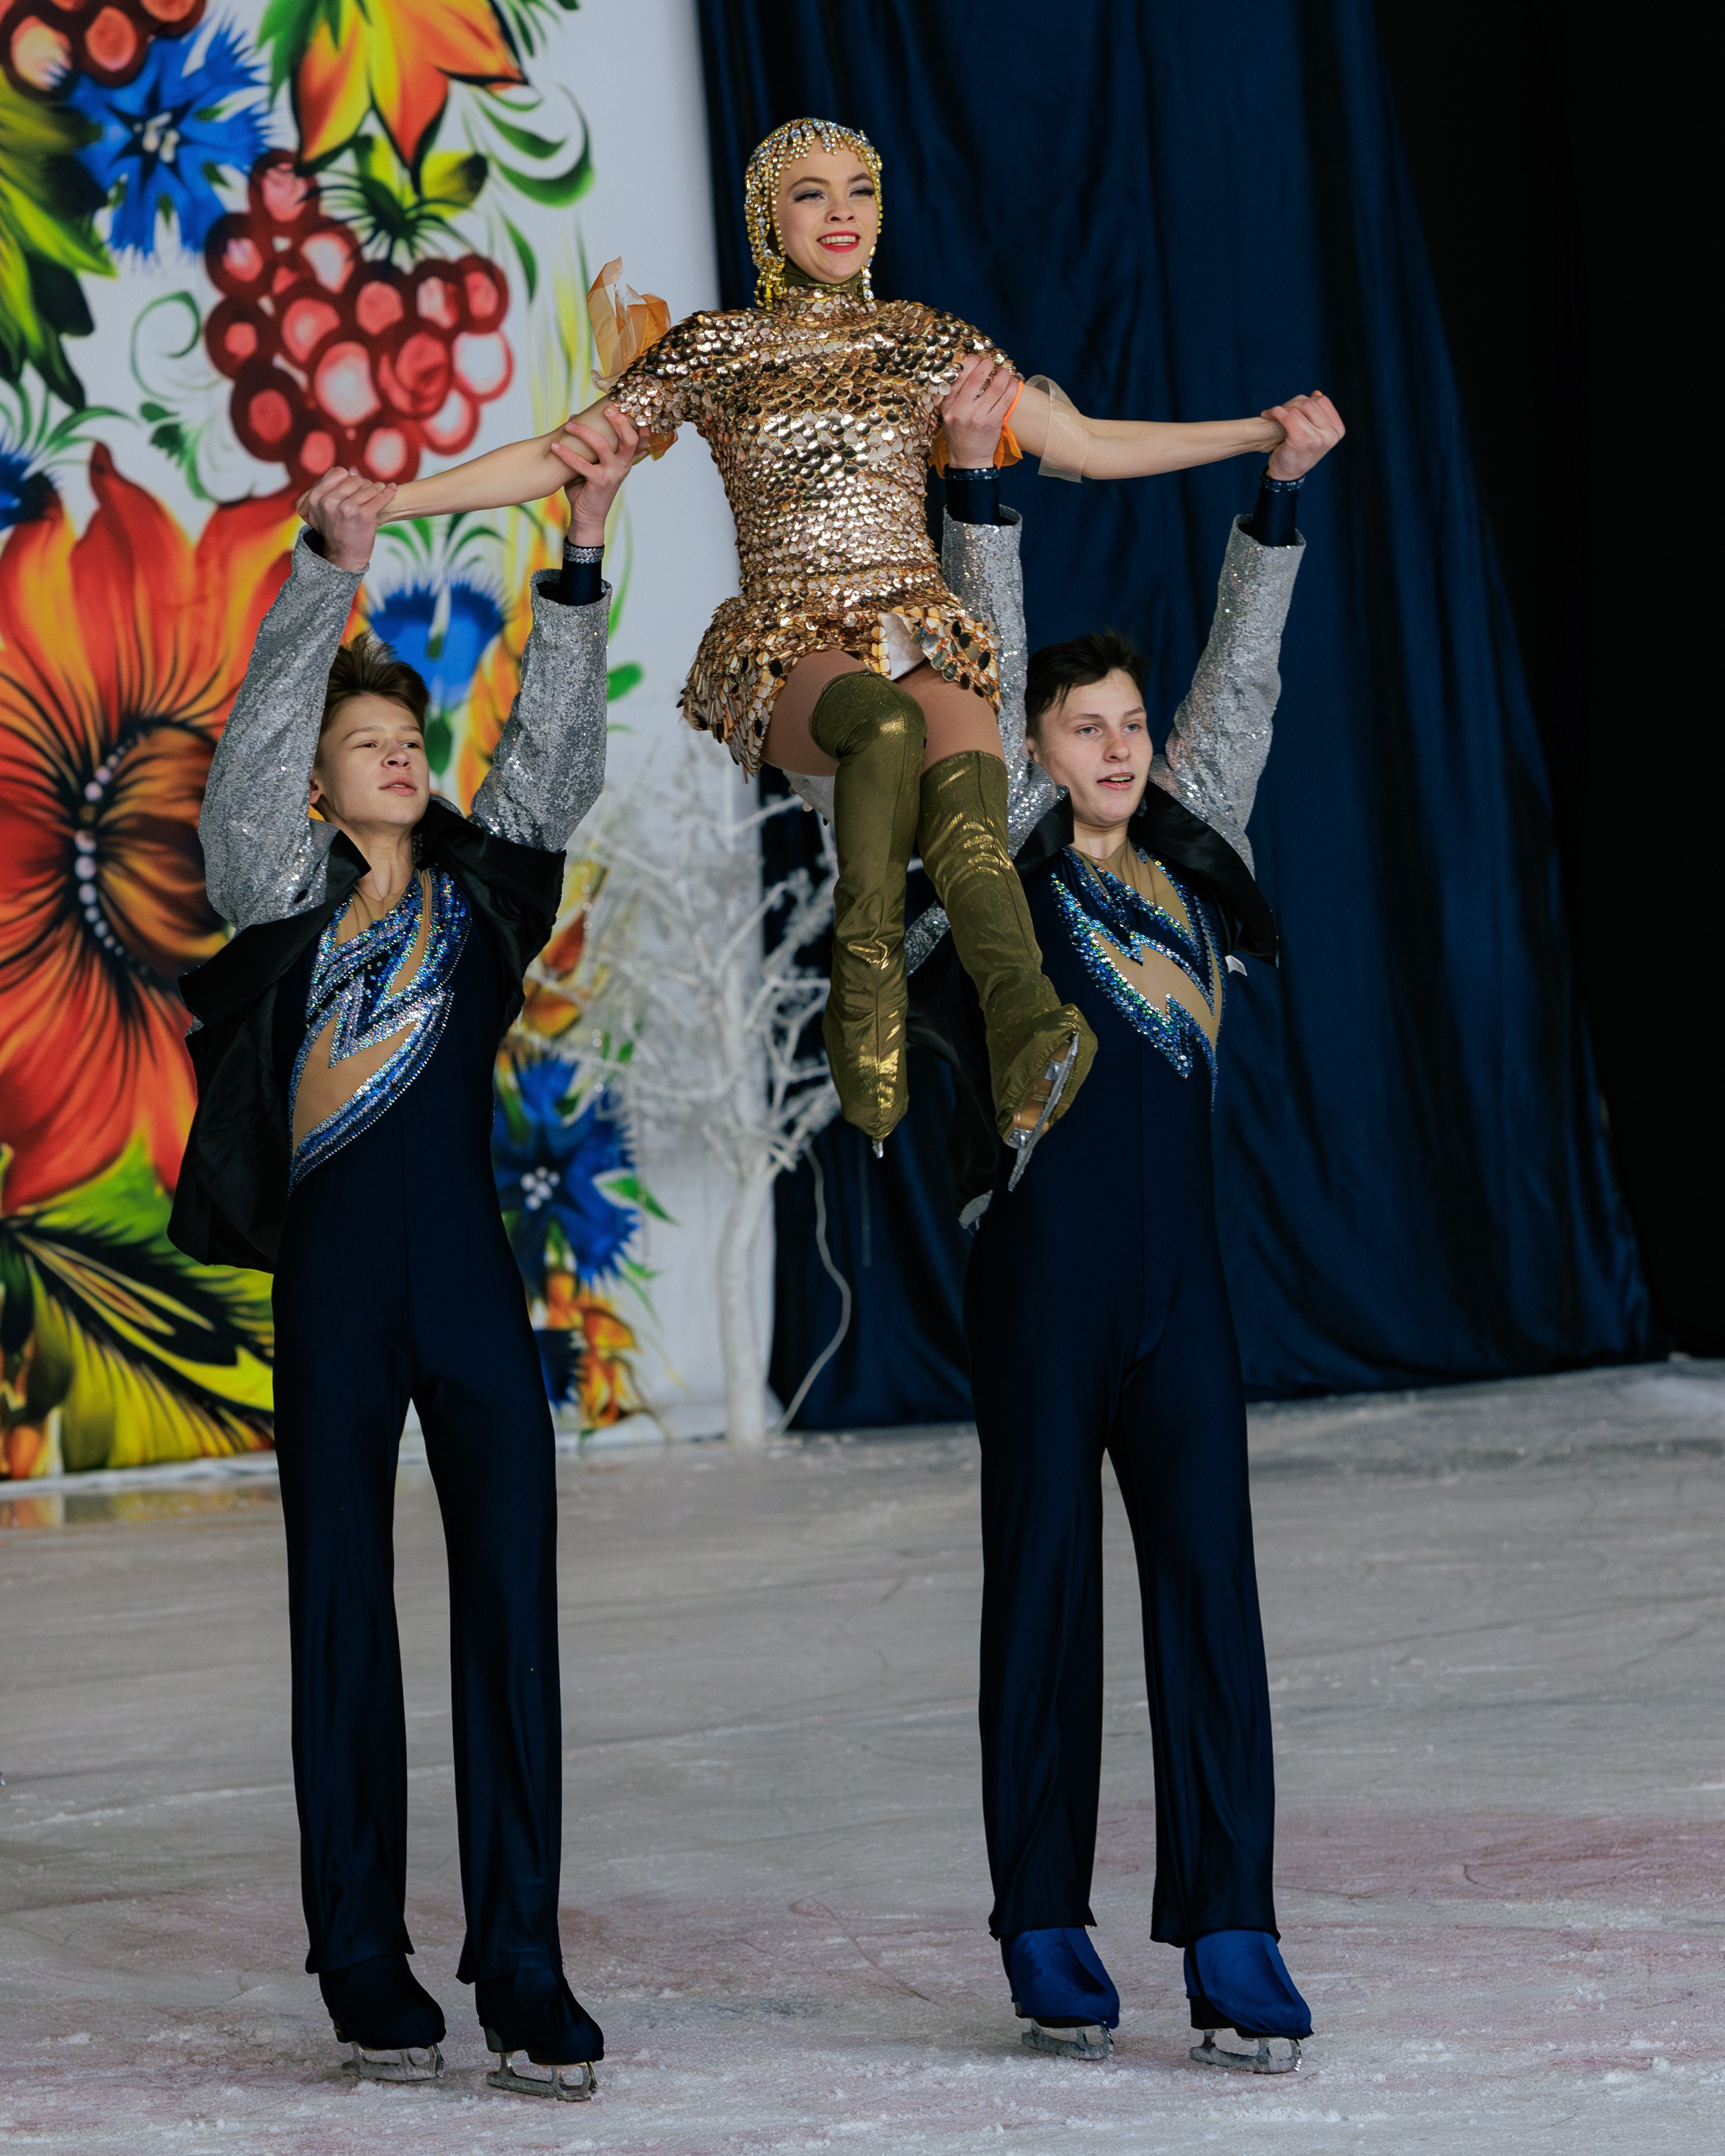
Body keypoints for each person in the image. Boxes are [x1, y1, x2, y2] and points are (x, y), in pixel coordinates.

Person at [375, 116, 1303, 1185]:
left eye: (859, 190)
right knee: (886, 730)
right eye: (811, 193)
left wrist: (1258, 436)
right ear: (769, 218)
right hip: (789, 644)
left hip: (921, 629)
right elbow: (556, 456)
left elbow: (1086, 444)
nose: (842, 213)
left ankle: (1032, 1032)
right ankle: (864, 983)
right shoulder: (716, 350)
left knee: (971, 836)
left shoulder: (924, 341)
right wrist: (392, 501)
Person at [167, 412, 642, 2098]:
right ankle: (361, 1954)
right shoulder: (275, 891)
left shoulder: (486, 897)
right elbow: (250, 755)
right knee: (341, 1619)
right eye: (361, 741)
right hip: (336, 1298)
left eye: (404, 740)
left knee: (511, 1613)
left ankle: (521, 1956)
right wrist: (330, 571)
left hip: (470, 1291)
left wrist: (578, 547)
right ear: (316, 776)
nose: (392, 756)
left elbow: (553, 761)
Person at [914, 387, 1346, 2070]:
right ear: (1028, 746)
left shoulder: (1193, 847)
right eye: (1080, 725)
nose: (1114, 744)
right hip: (1040, 1285)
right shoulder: (1002, 857)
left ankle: (1231, 1924)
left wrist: (1276, 503)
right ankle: (1041, 1916)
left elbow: (1241, 679)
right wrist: (977, 494)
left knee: (1209, 1593)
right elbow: (987, 649)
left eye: (1124, 723)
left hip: (1184, 1299)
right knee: (1040, 1587)